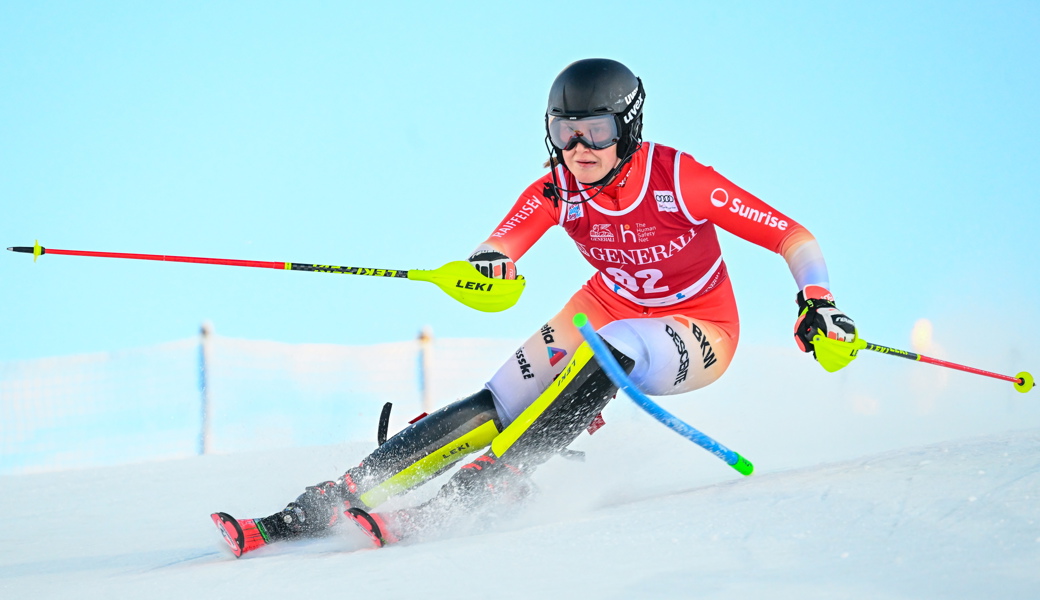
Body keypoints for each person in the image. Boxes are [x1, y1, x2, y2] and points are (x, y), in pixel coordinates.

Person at [212, 58, 859, 557]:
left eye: (596, 130)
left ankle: (492, 481)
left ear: (626, 128)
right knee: (500, 397)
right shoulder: (557, 188)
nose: (580, 148)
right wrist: (490, 264)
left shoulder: (680, 179)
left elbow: (792, 235)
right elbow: (502, 246)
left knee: (618, 347)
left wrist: (818, 302)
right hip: (605, 305)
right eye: (564, 131)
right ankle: (344, 492)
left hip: (699, 328)